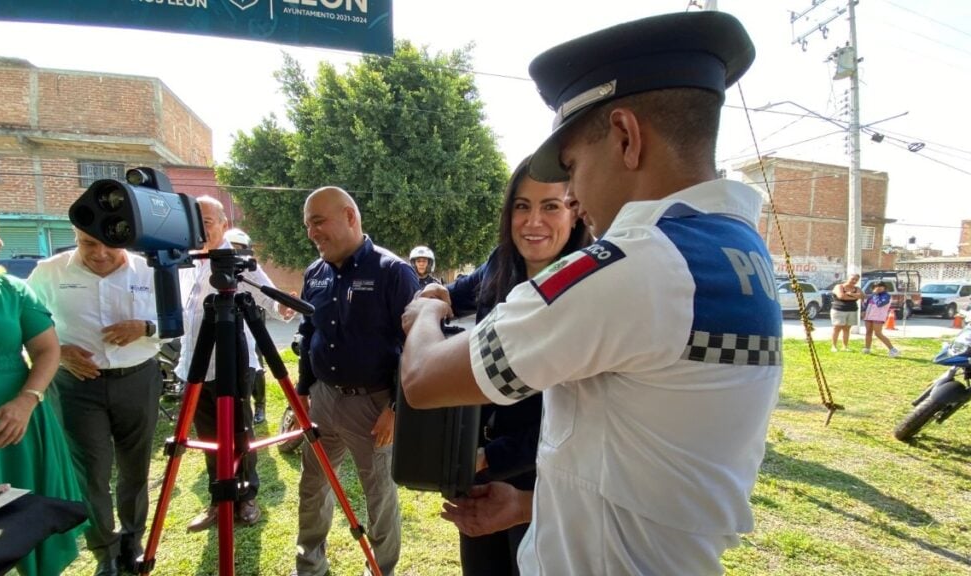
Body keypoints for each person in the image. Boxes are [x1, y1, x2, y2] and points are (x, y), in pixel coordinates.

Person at [400, 12, 782, 575]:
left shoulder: (638, 264)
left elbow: (423, 380)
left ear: (626, 137)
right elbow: (645, 467)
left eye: (573, 166)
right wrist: (528, 507)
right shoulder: (738, 249)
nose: (574, 197)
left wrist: (426, 312)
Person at [424, 156, 588, 575]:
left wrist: (487, 456)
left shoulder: (587, 287)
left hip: (541, 475)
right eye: (521, 205)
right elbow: (454, 293)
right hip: (480, 463)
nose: (533, 221)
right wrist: (433, 296)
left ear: (575, 211)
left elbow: (579, 416)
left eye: (550, 206)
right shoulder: (502, 261)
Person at [0, 197, 84, 575]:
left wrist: (26, 401)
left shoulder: (12, 290)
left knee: (28, 524)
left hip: (19, 427)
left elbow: (47, 350)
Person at [292, 186, 420, 576]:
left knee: (378, 492)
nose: (311, 232)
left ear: (350, 216)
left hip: (374, 405)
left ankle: (381, 568)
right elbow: (307, 332)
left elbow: (415, 345)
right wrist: (303, 391)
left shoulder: (393, 272)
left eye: (318, 221)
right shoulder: (315, 273)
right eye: (307, 225)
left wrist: (395, 408)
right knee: (312, 486)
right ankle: (310, 565)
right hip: (322, 398)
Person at [26, 230, 164, 576]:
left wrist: (146, 327)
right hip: (76, 386)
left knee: (135, 467)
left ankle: (132, 539)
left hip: (137, 379)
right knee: (90, 473)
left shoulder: (151, 270)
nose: (99, 253)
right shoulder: (49, 272)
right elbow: (26, 324)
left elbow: (181, 321)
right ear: (76, 237)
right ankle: (106, 551)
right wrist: (58, 351)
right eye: (88, 243)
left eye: (109, 244)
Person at [179, 196, 293, 532]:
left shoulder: (239, 261)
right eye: (195, 222)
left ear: (224, 224)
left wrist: (283, 308)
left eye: (207, 222)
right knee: (210, 439)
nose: (200, 230)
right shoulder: (188, 260)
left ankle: (246, 496)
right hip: (193, 368)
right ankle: (218, 500)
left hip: (231, 366)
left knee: (239, 435)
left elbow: (268, 297)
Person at [225, 227, 269, 425]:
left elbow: (267, 294)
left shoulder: (252, 269)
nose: (236, 252)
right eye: (232, 247)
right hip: (227, 319)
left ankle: (260, 405)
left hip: (252, 315)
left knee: (256, 361)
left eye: (240, 247)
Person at [863, 281, 900, 356]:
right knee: (868, 332)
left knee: (878, 333)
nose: (878, 288)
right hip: (869, 316)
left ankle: (893, 349)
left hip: (878, 317)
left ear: (884, 287)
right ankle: (867, 348)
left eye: (880, 286)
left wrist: (876, 294)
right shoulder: (872, 295)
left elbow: (880, 304)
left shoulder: (886, 295)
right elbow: (866, 304)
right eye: (876, 286)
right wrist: (863, 311)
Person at [830, 274, 864, 352]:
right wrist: (855, 296)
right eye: (852, 279)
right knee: (837, 328)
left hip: (852, 310)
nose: (854, 281)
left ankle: (845, 346)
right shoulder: (839, 286)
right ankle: (834, 346)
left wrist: (851, 294)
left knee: (847, 329)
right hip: (839, 310)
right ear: (848, 278)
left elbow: (862, 296)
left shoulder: (857, 288)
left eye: (856, 280)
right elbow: (841, 296)